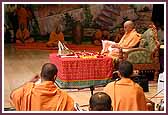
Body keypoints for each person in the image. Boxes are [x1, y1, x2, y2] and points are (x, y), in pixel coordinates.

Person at [10, 63, 75, 111]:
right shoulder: (64, 97)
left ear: (41, 75)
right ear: (55, 77)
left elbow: (12, 95)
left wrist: (30, 82)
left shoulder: (27, 91)